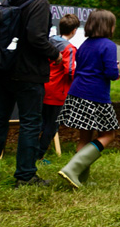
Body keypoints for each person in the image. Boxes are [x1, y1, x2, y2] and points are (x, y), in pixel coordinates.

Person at [0, 0, 62, 187]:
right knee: (30, 123)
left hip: (4, 67)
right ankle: (26, 176)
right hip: (28, 72)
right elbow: (36, 37)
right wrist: (55, 55)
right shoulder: (39, 3)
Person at [56, 9, 120, 188]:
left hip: (77, 92)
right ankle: (72, 169)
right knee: (108, 134)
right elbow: (111, 73)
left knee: (85, 136)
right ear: (108, 26)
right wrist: (117, 69)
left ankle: (80, 178)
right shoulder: (108, 45)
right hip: (95, 95)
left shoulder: (85, 44)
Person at [38, 13, 80, 164]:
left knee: (41, 122)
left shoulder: (48, 43)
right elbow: (70, 71)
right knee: (52, 125)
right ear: (74, 30)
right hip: (58, 92)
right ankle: (39, 155)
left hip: (43, 88)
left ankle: (30, 152)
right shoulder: (69, 48)